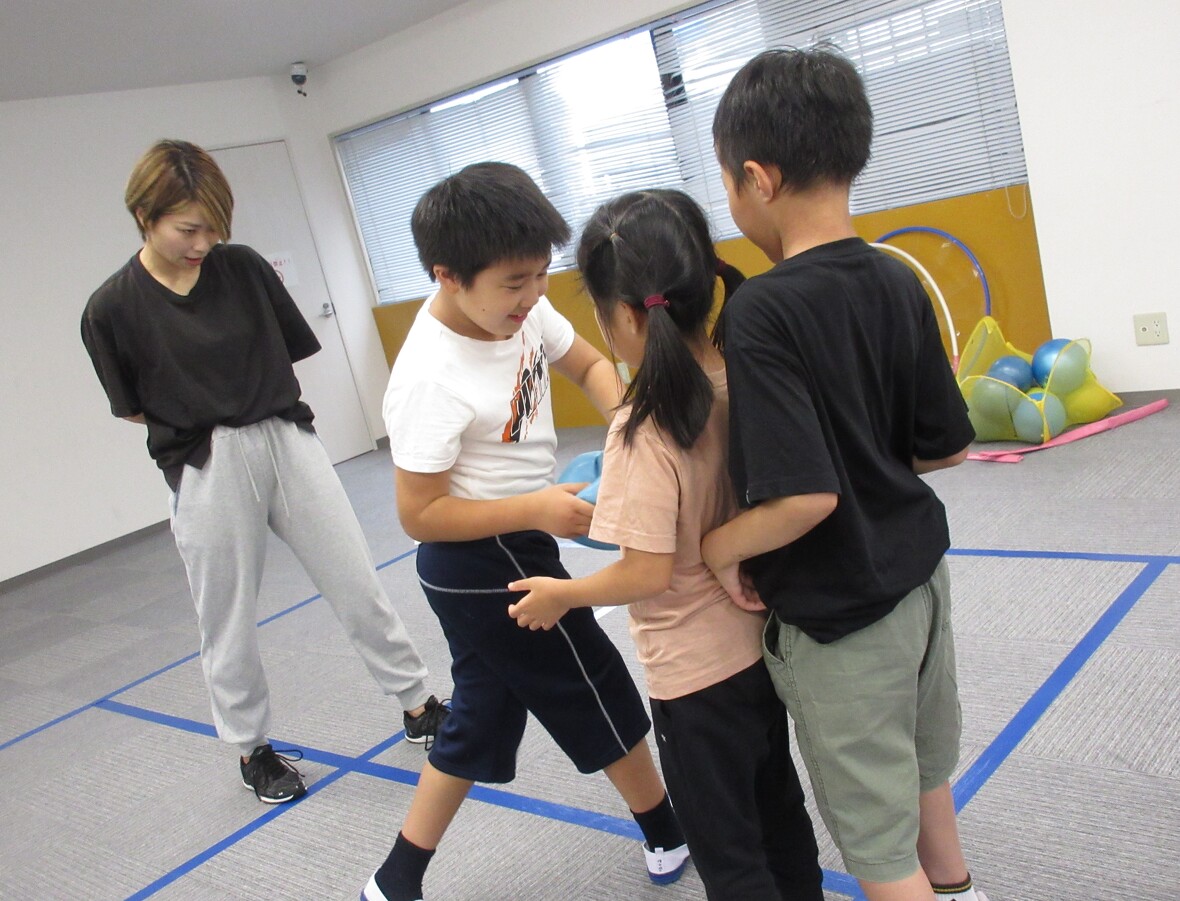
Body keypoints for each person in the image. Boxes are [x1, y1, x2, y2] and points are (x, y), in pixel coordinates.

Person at [80, 139, 450, 805]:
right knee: (226, 618)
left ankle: (418, 704)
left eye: (214, 227)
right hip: (204, 463)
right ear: (143, 216)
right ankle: (253, 749)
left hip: (286, 438)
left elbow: (288, 349)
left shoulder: (243, 268)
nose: (204, 242)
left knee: (355, 580)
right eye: (188, 229)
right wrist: (208, 420)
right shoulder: (110, 309)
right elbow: (133, 407)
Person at [703, 47, 989, 901]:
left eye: (727, 183)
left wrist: (720, 545)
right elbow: (948, 444)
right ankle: (958, 885)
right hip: (922, 580)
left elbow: (804, 496)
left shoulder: (761, 309)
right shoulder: (896, 279)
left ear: (758, 178)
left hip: (843, 615)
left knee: (874, 835)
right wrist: (869, 446)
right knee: (925, 764)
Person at [364, 162, 688, 901]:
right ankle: (667, 831)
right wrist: (536, 509)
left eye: (542, 273)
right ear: (448, 276)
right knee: (596, 687)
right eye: (515, 282)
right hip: (483, 558)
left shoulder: (522, 312)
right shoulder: (427, 378)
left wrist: (626, 427)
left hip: (509, 542)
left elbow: (589, 364)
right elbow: (419, 515)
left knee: (480, 716)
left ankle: (395, 879)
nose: (533, 294)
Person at [506, 188, 825, 901]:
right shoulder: (741, 374)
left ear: (623, 316)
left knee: (728, 851)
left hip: (693, 680)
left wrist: (564, 594)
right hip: (761, 649)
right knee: (780, 812)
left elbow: (646, 572)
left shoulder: (642, 425)